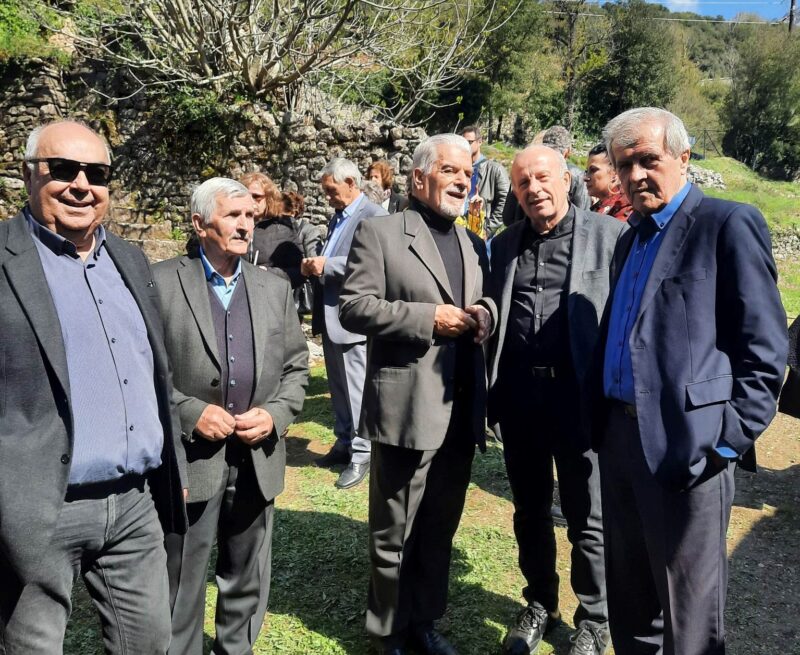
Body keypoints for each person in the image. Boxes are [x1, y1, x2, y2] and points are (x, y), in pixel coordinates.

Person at [597, 107, 787, 655]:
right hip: (619, 442)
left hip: (688, 446)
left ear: (683, 158)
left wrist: (724, 441)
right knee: (630, 600)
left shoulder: (726, 224)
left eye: (647, 159)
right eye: (623, 164)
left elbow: (765, 351)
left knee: (690, 619)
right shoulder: (629, 240)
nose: (635, 175)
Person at [0, 120, 187, 653]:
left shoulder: (129, 259)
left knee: (149, 644)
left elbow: (156, 373)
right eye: (63, 169)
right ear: (29, 175)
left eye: (97, 173)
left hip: (134, 506)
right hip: (37, 508)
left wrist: (170, 458)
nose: (81, 185)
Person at [339, 133, 497, 655]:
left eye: (468, 172)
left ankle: (424, 622)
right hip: (407, 409)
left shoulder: (473, 242)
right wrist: (427, 318)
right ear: (418, 177)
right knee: (395, 533)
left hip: (459, 409)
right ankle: (387, 633)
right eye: (450, 170)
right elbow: (354, 306)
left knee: (438, 529)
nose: (462, 181)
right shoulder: (380, 232)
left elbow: (485, 299)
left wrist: (485, 315)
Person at [155, 177, 309, 654]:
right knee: (181, 579)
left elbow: (296, 367)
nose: (246, 225)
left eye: (249, 216)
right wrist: (190, 412)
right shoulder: (161, 283)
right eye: (233, 216)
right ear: (200, 224)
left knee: (246, 575)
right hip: (190, 462)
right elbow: (142, 372)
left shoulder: (273, 288)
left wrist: (276, 415)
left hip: (256, 458)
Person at [488, 145, 624, 655]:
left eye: (543, 178)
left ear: (567, 180)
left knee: (587, 516)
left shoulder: (609, 237)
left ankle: (595, 619)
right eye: (523, 183)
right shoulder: (504, 245)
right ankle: (539, 603)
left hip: (579, 400)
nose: (534, 189)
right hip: (520, 398)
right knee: (529, 510)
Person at [302, 157, 388, 489]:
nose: (327, 197)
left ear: (351, 183)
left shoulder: (374, 216)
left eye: (331, 190)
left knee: (356, 392)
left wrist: (327, 265)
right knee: (338, 388)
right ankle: (343, 443)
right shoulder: (339, 216)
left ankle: (363, 453)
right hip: (332, 317)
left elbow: (373, 263)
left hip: (353, 319)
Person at [460, 125, 510, 238]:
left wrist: (487, 231)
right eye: (463, 142)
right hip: (460, 230)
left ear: (480, 142)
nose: (465, 146)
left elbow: (505, 202)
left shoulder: (495, 170)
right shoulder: (459, 169)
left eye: (469, 142)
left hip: (482, 233)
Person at [583, 143, 632, 222]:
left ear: (615, 172)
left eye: (593, 170)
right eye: (586, 172)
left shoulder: (624, 206)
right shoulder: (600, 206)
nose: (585, 178)